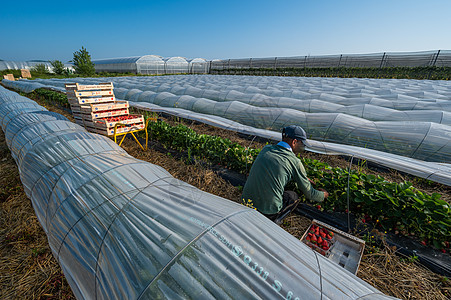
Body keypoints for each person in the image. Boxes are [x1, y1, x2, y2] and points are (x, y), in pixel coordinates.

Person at [241, 125, 329, 224]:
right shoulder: (295, 162)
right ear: (294, 142)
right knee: (293, 196)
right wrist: (324, 195)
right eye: (302, 143)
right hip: (267, 210)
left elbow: (277, 170)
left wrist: (301, 177)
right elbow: (310, 194)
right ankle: (276, 219)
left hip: (246, 202)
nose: (303, 146)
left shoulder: (266, 149)